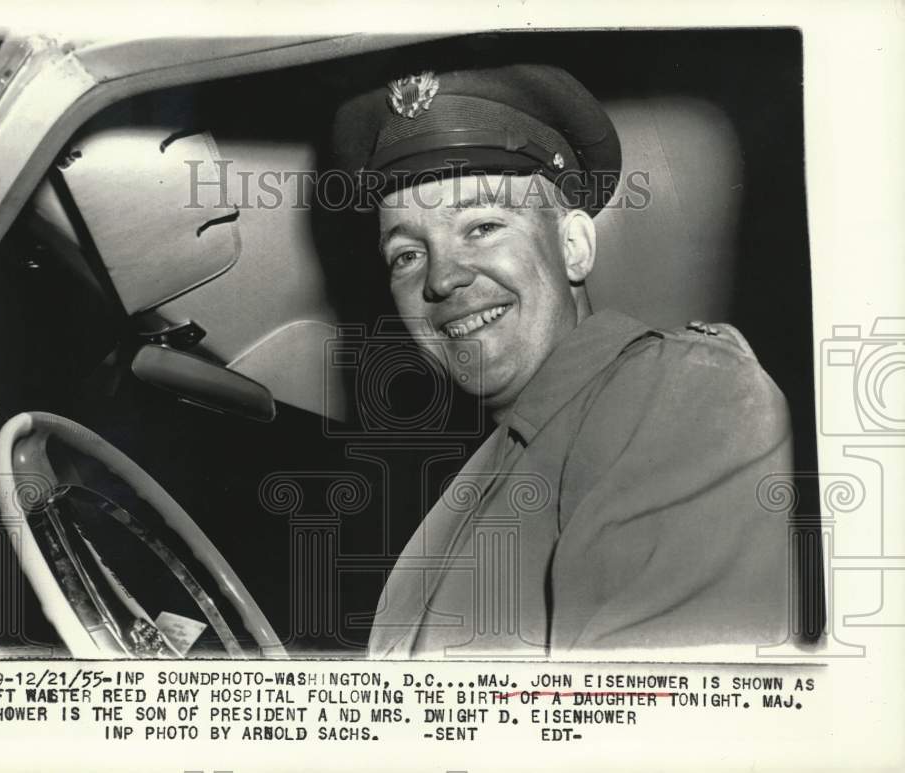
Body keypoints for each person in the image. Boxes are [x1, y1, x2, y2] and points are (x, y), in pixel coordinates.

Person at [330, 64, 793, 658]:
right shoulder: (498, 468)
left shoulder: (682, 391)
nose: (441, 278)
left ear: (573, 246)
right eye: (406, 255)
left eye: (484, 225)